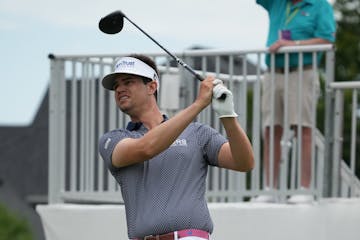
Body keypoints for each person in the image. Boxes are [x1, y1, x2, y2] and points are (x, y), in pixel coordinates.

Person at [98, 54, 254, 239]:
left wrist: (228, 116)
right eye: (116, 86)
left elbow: (244, 162)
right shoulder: (113, 140)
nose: (120, 89)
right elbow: (147, 148)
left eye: (128, 82)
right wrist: (198, 104)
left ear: (152, 86)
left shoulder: (197, 132)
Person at [254, 0, 336, 203]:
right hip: (273, 72)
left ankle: (304, 189)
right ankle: (269, 189)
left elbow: (327, 40)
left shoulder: (320, 5)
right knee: (271, 129)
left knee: (303, 129)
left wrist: (293, 45)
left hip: (302, 72)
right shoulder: (276, 3)